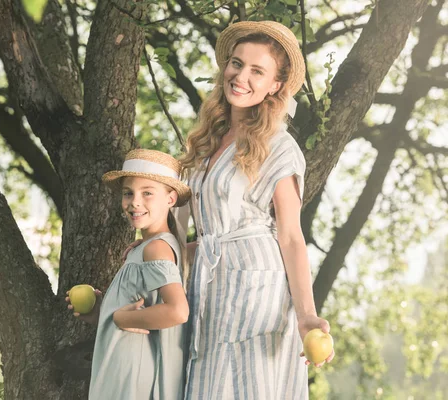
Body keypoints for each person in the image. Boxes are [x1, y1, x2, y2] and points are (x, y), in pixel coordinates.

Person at [179, 21, 335, 399]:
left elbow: (291, 236)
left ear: (275, 86)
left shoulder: (279, 147)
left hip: (256, 294)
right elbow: (196, 230)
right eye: (237, 63)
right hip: (208, 286)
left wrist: (306, 315)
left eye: (257, 71)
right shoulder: (207, 140)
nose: (241, 76)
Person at [66, 149, 191, 400]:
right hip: (122, 368)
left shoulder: (156, 248)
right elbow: (140, 309)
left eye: (147, 193)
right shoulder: (146, 248)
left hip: (133, 376)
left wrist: (123, 320)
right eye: (128, 193)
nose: (135, 201)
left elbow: (177, 311)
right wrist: (103, 313)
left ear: (170, 198)